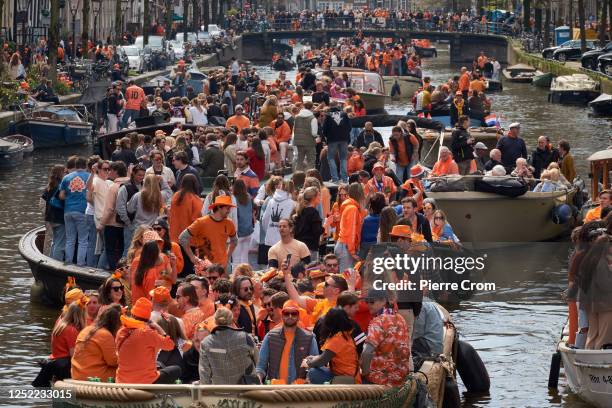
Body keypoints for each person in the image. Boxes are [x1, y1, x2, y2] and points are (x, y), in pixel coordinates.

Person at [116, 298, 180, 384]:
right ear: (148, 318)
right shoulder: (147, 332)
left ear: (132, 314)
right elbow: (170, 345)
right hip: (146, 381)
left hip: (121, 380)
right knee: (176, 369)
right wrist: (159, 328)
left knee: (159, 364)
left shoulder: (121, 331)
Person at [257, 300, 318, 384]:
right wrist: (258, 379)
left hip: (299, 390)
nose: (290, 316)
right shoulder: (270, 336)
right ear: (282, 315)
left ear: (298, 316)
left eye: (294, 313)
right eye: (286, 313)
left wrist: (307, 382)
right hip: (274, 390)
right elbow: (260, 366)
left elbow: (314, 366)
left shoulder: (309, 338)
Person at [360, 289, 411, 386]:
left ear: (384, 301)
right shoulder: (401, 319)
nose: (368, 305)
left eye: (372, 301)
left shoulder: (378, 321)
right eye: (367, 302)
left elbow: (367, 353)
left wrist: (364, 373)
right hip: (400, 378)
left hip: (380, 379)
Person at [32, 301, 87, 387]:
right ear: (81, 315)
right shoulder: (71, 330)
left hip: (53, 361)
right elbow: (73, 354)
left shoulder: (60, 324)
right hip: (63, 366)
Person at [199, 307, 259, 384]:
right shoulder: (246, 338)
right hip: (246, 390)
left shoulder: (206, 342)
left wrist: (207, 391)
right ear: (232, 320)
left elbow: (204, 373)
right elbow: (258, 361)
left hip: (219, 392)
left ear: (215, 321)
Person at [180, 195, 237, 271]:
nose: (229, 211)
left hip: (222, 267)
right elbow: (182, 238)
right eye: (227, 208)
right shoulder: (201, 222)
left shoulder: (229, 223)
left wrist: (227, 256)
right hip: (204, 267)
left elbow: (234, 241)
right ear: (219, 207)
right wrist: (192, 257)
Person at [305, 307, 360, 384]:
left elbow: (322, 361)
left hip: (347, 380)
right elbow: (325, 357)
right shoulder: (345, 334)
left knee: (313, 372)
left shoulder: (337, 339)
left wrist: (308, 363)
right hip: (348, 376)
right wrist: (314, 358)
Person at [71, 304, 121, 381]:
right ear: (115, 323)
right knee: (128, 370)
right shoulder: (105, 334)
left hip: (76, 374)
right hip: (93, 376)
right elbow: (113, 362)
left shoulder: (85, 330)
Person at [59, 156, 90, 266]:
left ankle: (68, 262)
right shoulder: (89, 177)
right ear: (86, 166)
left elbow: (61, 196)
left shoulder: (67, 177)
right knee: (83, 240)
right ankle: (80, 263)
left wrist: (71, 197)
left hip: (68, 211)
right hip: (82, 211)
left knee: (70, 239)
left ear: (75, 166)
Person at [335, 182, 367, 272]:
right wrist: (352, 252)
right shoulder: (352, 208)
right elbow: (351, 232)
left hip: (345, 246)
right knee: (345, 279)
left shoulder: (351, 206)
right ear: (360, 194)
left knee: (346, 278)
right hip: (346, 247)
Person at [323, 101, 352, 183]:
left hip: (332, 139)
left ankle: (335, 179)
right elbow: (350, 127)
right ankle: (345, 179)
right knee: (343, 158)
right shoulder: (344, 114)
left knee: (331, 158)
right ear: (338, 106)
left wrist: (327, 137)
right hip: (344, 139)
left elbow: (324, 129)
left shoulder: (328, 115)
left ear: (330, 107)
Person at [42, 164, 66, 261]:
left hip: (51, 218)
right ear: (61, 173)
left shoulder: (49, 186)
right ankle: (56, 263)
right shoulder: (61, 186)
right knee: (60, 243)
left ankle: (51, 260)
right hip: (59, 218)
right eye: (65, 172)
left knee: (55, 242)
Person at [293, 187, 324, 262]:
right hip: (310, 248)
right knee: (309, 271)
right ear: (314, 198)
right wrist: (326, 224)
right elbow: (317, 231)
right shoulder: (313, 212)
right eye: (319, 195)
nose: (320, 198)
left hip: (298, 247)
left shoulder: (301, 211)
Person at [232, 178, 254, 266]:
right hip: (248, 231)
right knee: (245, 258)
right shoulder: (248, 197)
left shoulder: (234, 198)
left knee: (236, 259)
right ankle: (246, 276)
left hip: (238, 232)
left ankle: (236, 278)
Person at [293, 101, 319, 171]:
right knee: (311, 161)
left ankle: (298, 176)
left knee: (300, 160)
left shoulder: (297, 117)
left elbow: (294, 129)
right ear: (311, 108)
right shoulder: (313, 118)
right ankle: (308, 177)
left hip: (298, 142)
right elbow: (314, 133)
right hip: (309, 142)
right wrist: (317, 136)